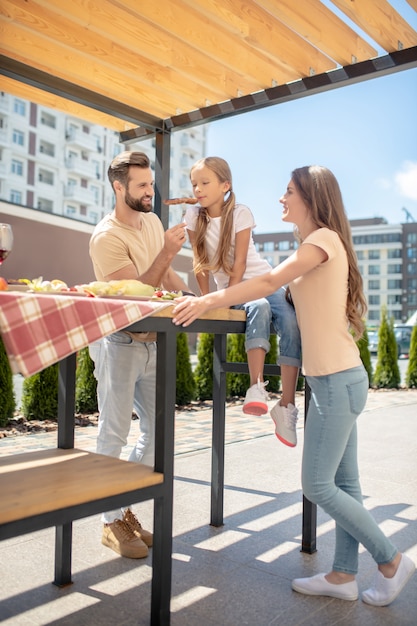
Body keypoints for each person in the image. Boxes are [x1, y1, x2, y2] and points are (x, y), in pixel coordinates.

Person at [172, 165, 415, 606]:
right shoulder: (315, 244)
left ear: (310, 197)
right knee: (346, 485)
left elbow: (265, 282)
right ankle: (343, 575)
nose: (280, 199)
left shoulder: (321, 239)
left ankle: (391, 560)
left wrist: (206, 298)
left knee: (317, 485)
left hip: (337, 382)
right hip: (334, 381)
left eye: (288, 192)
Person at [89, 151, 190, 559]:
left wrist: (199, 300)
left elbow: (167, 279)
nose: (151, 192)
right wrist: (166, 252)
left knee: (158, 434)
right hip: (120, 343)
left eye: (151, 183)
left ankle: (120, 509)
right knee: (113, 434)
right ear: (119, 187)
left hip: (154, 343)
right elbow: (137, 297)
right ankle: (110, 523)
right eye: (142, 186)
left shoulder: (152, 222)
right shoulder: (106, 237)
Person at [184, 157, 301, 445]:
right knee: (257, 308)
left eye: (205, 183)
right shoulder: (191, 216)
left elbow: (239, 266)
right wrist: (206, 300)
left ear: (226, 185)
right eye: (194, 184)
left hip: (261, 281)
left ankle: (286, 405)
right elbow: (200, 264)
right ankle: (256, 387)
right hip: (236, 291)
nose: (198, 189)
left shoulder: (241, 213)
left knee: (290, 319)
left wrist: (224, 298)